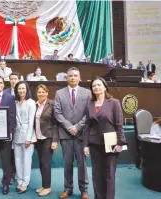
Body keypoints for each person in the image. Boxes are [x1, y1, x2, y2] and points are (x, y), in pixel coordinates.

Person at [83, 77, 127, 199]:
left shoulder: (114, 102)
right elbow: (87, 126)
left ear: (104, 87)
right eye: (94, 86)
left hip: (111, 143)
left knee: (109, 174)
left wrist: (120, 143)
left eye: (99, 85)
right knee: (97, 174)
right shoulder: (90, 104)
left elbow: (119, 124)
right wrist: (86, 145)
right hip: (94, 144)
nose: (96, 87)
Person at [54, 67, 90, 199]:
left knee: (82, 164)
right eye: (70, 76)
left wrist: (78, 126)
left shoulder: (87, 93)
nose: (73, 78)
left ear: (79, 77)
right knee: (67, 163)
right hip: (66, 134)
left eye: (75, 75)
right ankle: (68, 189)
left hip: (81, 134)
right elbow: (57, 113)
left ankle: (84, 190)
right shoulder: (59, 93)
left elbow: (89, 113)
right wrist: (70, 127)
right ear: (67, 78)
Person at [34, 84, 59, 196]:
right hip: (38, 138)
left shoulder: (52, 104)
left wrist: (54, 140)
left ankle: (48, 187)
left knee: (46, 163)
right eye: (39, 92)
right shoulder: (35, 104)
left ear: (47, 93)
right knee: (41, 163)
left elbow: (56, 124)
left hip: (48, 137)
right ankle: (44, 185)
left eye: (43, 92)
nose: (41, 94)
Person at [13, 81, 36, 194]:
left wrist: (29, 138)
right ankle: (19, 181)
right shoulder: (16, 101)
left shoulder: (31, 102)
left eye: (23, 88)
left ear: (27, 89)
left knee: (26, 160)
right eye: (19, 89)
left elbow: (32, 121)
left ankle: (25, 183)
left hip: (27, 135)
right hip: (17, 134)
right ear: (16, 90)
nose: (21, 91)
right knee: (17, 160)